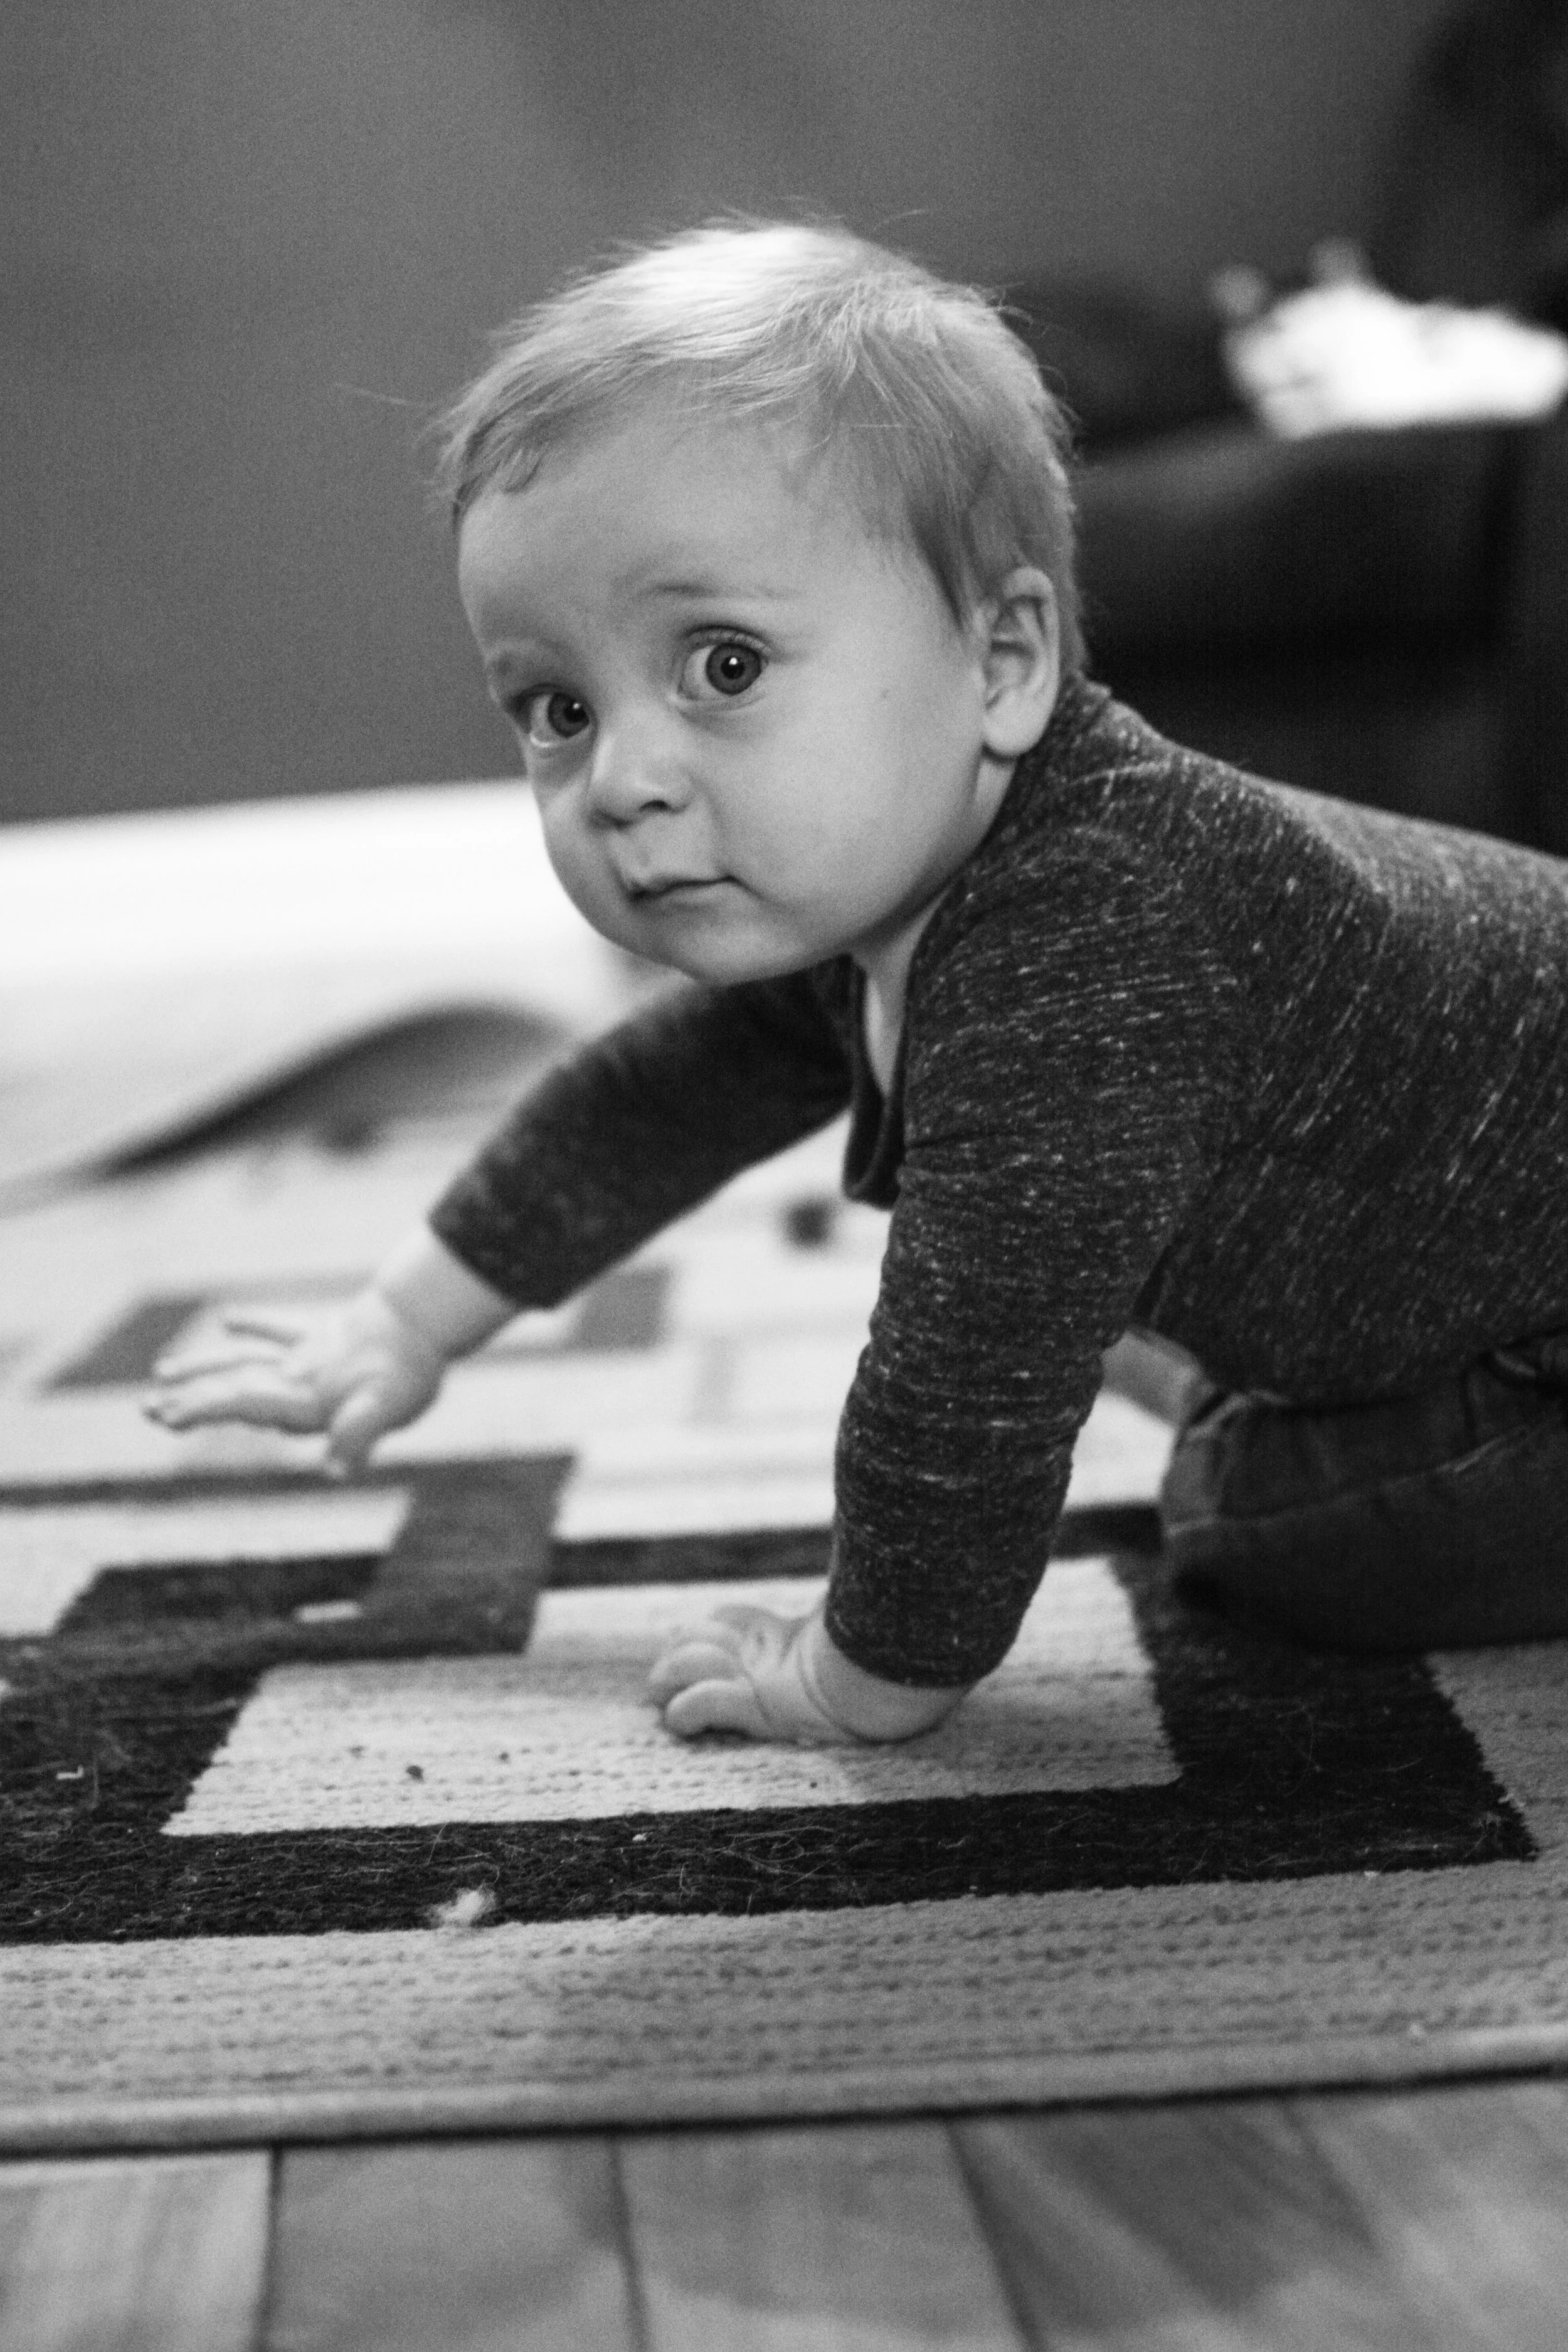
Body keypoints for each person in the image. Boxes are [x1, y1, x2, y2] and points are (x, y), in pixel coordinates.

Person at [147, 221, 1568, 1744]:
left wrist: (861, 1670)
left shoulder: (1084, 947)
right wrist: (401, 1325)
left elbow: (956, 1390)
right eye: (557, 706)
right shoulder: (905, 867)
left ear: (1001, 659)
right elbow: (657, 1095)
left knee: (1257, 1535)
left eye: (724, 667)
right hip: (1467, 1247)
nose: (620, 778)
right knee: (1071, 1286)